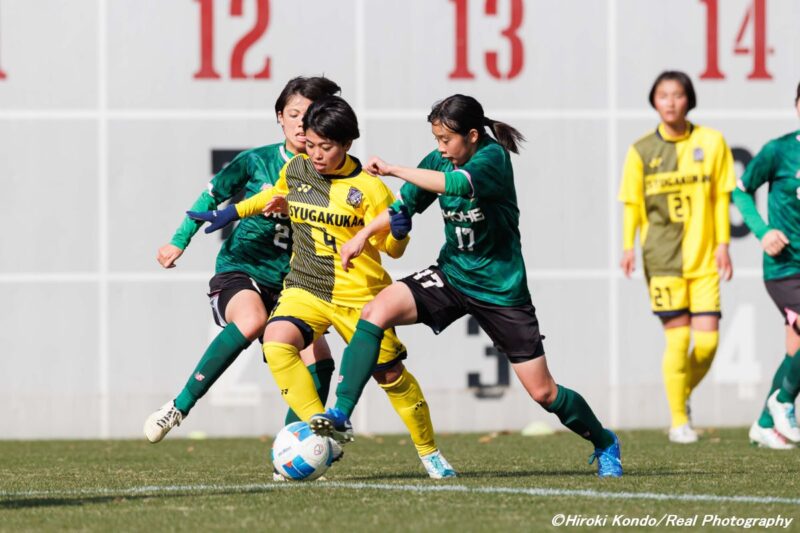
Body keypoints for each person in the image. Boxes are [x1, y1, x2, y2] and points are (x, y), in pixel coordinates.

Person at [325, 93, 622, 478]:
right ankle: (340, 414)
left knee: (544, 392)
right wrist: (363, 235)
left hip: (500, 290)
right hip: (452, 275)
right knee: (376, 310)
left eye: (446, 140)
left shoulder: (492, 159)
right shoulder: (441, 159)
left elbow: (455, 185)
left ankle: (604, 441)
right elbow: (403, 206)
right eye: (436, 139)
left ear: (472, 135)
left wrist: (395, 169)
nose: (440, 148)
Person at [188, 95, 456, 479]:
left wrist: (399, 232)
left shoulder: (369, 188)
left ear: (346, 144)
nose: (315, 153)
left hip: (359, 296)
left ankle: (430, 453)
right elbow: (274, 196)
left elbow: (392, 250)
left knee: (391, 376)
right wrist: (231, 212)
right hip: (306, 286)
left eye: (325, 147)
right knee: (276, 342)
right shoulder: (298, 168)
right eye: (311, 144)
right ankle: (325, 429)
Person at [144, 77, 340, 446]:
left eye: (310, 115)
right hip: (243, 269)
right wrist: (178, 241)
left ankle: (294, 447)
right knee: (252, 321)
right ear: (279, 117)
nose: (301, 123)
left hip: (295, 283)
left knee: (320, 360)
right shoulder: (257, 161)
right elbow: (211, 196)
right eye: (293, 114)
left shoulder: (331, 173)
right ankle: (179, 406)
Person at [618, 71, 735, 444]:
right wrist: (628, 247)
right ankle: (679, 421)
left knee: (708, 345)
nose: (670, 102)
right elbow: (632, 205)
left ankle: (679, 391)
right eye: (663, 95)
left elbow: (721, 198)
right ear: (654, 101)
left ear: (689, 99)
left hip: (704, 259)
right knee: (678, 340)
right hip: (662, 259)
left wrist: (723, 244)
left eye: (677, 94)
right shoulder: (641, 151)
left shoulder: (712, 142)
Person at [732, 82, 800, 449]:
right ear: (796, 106)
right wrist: (763, 231)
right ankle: (783, 401)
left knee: (795, 351)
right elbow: (740, 191)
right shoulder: (779, 150)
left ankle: (763, 423)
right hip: (786, 268)